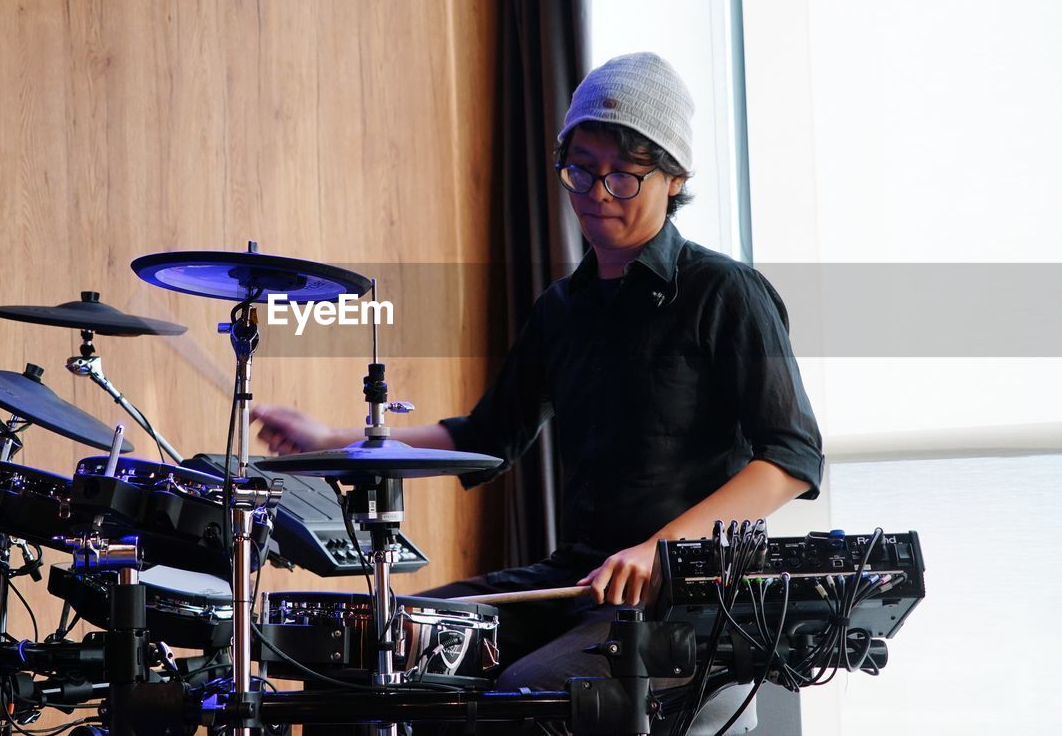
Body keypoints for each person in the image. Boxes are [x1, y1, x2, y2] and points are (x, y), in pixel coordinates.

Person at [252, 52, 824, 734]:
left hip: (688, 607)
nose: (596, 192)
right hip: (575, 582)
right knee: (377, 649)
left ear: (673, 179)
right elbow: (486, 436)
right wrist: (331, 440)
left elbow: (792, 456)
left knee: (521, 704)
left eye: (622, 174)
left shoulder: (725, 294)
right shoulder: (562, 310)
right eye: (580, 168)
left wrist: (659, 550)